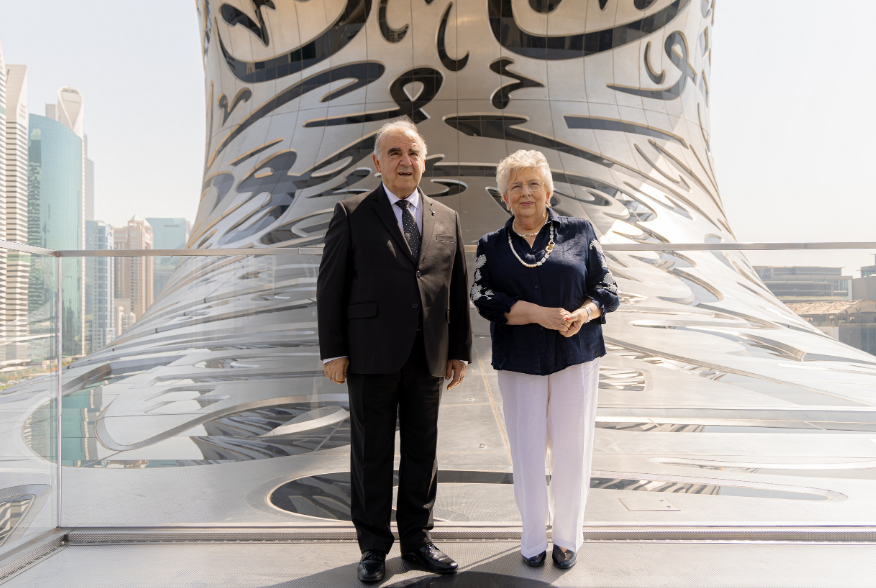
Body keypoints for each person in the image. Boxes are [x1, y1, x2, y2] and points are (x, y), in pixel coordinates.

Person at [317, 119, 472, 583]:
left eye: (414, 153)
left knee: (423, 452)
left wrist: (459, 350)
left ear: (424, 162)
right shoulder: (351, 212)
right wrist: (333, 352)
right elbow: (330, 288)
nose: (406, 161)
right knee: (372, 454)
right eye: (395, 153)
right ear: (377, 163)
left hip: (428, 353)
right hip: (370, 352)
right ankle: (372, 548)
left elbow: (455, 287)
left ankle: (419, 540)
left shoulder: (447, 217)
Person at [470, 149, 619, 570]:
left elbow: (607, 289)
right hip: (520, 361)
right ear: (504, 197)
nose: (525, 192)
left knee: (572, 448)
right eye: (515, 186)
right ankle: (534, 535)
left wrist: (582, 314)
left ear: (548, 191)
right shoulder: (491, 246)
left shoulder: (580, 231)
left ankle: (568, 536)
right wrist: (539, 314)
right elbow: (483, 297)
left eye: (533, 183)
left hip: (576, 355)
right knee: (528, 449)